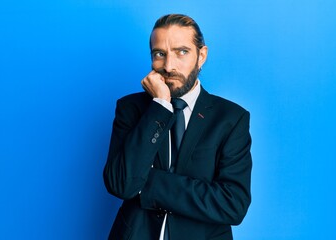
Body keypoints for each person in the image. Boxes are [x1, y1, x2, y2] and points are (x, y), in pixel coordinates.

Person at [103, 14, 252, 240]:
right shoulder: (130, 109)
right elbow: (121, 184)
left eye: (181, 52)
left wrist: (146, 183)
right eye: (159, 54)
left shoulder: (231, 118)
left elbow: (233, 204)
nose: (169, 66)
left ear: (201, 56)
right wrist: (160, 106)